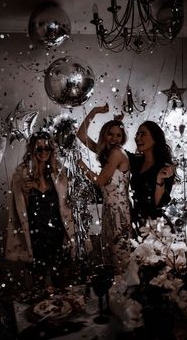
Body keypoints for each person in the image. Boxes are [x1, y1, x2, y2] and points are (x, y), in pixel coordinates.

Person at [5, 131, 76, 290]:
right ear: (32, 150)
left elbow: (65, 205)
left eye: (47, 148)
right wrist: (24, 191)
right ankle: (42, 312)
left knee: (60, 282)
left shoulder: (58, 172)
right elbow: (19, 210)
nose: (44, 152)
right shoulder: (22, 174)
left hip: (56, 234)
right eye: (39, 149)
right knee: (38, 283)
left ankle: (61, 310)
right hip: (36, 235)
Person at [77, 104, 132, 274]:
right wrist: (94, 111)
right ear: (104, 135)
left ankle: (124, 297)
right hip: (110, 210)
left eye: (118, 135)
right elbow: (81, 135)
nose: (114, 138)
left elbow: (100, 181)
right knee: (110, 258)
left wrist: (82, 165)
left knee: (120, 260)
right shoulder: (107, 152)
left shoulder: (117, 153)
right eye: (110, 134)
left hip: (119, 212)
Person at [127, 120, 175, 233]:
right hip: (137, 223)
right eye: (137, 134)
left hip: (157, 228)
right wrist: (95, 112)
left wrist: (159, 178)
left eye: (143, 134)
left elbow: (158, 204)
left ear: (155, 138)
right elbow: (108, 151)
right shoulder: (136, 162)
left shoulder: (164, 167)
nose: (137, 138)